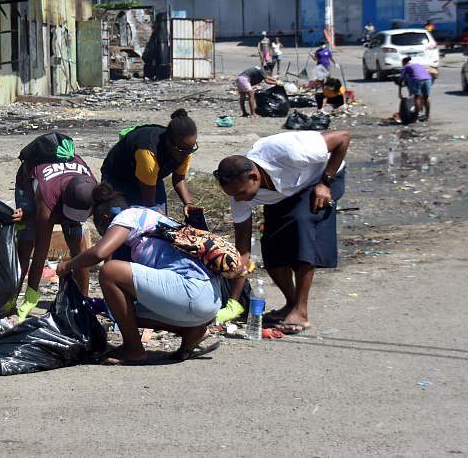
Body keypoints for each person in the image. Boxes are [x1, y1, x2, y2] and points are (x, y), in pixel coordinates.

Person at [55, 188, 224, 364]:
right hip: (210, 299)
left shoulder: (127, 217)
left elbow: (100, 252)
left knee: (110, 272)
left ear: (105, 218)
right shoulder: (150, 217)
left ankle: (133, 349)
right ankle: (191, 332)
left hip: (192, 291)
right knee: (119, 307)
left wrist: (68, 265)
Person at [212, 130, 350, 334]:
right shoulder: (239, 194)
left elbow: (343, 138)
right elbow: (243, 251)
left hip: (321, 178)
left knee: (301, 227)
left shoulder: (290, 151)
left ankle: (301, 311)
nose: (239, 200)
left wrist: (325, 182)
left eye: (242, 193)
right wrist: (233, 301)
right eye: (234, 196)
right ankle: (291, 304)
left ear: (254, 176)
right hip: (284, 194)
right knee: (271, 244)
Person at [12, 135, 97, 320]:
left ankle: (82, 301)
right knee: (26, 245)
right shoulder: (48, 197)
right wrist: (31, 299)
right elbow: (41, 252)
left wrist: (84, 306)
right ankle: (11, 302)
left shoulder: (92, 190)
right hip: (30, 185)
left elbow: (84, 254)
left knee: (77, 243)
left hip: (65, 193)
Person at [100, 109, 200, 217]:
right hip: (119, 178)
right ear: (169, 143)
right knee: (123, 219)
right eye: (183, 151)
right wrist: (154, 211)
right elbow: (149, 202)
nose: (187, 154)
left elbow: (178, 179)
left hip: (149, 178)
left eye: (191, 148)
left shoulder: (185, 149)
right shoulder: (148, 152)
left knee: (158, 223)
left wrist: (188, 203)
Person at [399, 56, 436, 122]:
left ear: (404, 62)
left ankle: (415, 117)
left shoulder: (406, 67)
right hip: (428, 79)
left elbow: (400, 79)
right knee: (426, 98)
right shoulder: (417, 65)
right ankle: (427, 117)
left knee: (417, 98)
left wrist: (399, 92)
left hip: (417, 80)